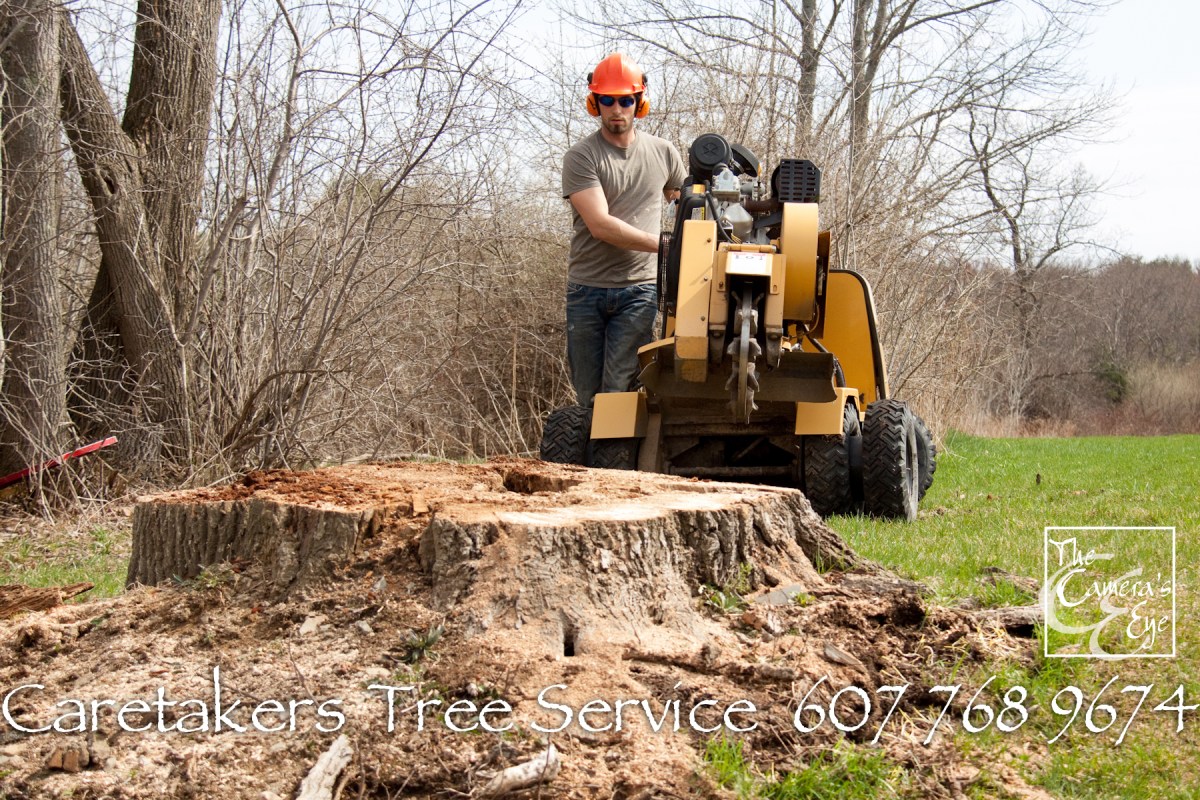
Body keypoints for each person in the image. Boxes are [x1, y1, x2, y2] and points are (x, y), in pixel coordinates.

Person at [561, 53, 687, 408]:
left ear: (639, 102)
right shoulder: (581, 156)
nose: (617, 109)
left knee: (618, 393)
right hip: (587, 289)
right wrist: (666, 246)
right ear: (595, 103)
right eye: (607, 100)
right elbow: (600, 225)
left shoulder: (663, 153)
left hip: (639, 291)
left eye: (625, 100)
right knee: (588, 396)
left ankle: (615, 447)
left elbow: (689, 208)